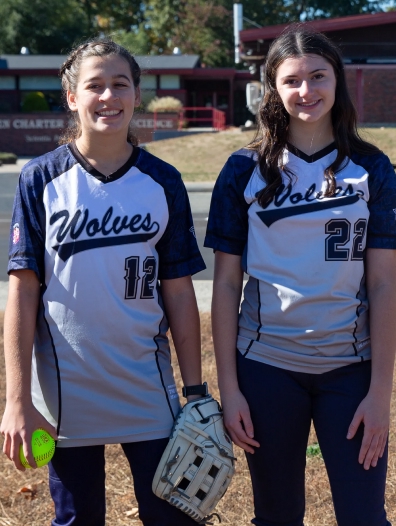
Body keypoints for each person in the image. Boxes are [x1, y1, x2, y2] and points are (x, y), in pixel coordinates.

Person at [1, 38, 206, 526]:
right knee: (77, 518)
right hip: (65, 391)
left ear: (137, 95)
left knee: (171, 515)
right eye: (95, 85)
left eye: (120, 84)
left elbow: (178, 292)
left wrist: (196, 393)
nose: (108, 97)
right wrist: (15, 401)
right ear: (72, 97)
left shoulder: (163, 180)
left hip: (146, 386)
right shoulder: (40, 179)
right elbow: (23, 290)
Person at [205, 25, 396, 526]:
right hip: (266, 369)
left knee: (364, 517)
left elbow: (382, 284)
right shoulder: (243, 169)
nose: (306, 91)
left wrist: (380, 394)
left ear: (338, 82)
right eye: (292, 80)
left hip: (350, 368)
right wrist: (231, 389)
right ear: (273, 88)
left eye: (318, 76)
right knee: (276, 516)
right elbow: (226, 284)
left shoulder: (373, 169)